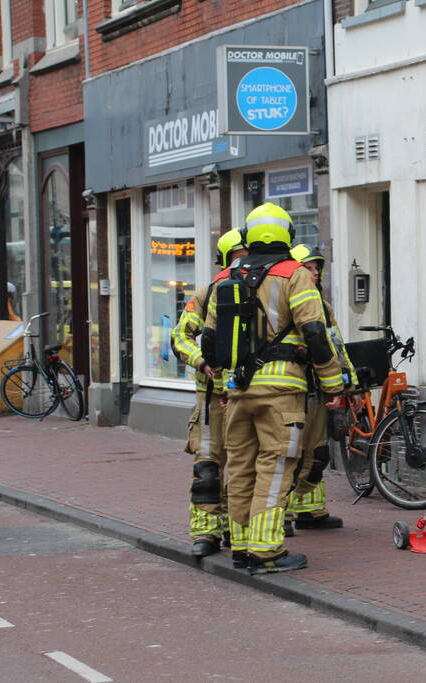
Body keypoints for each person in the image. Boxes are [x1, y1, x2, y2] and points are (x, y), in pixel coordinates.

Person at [203, 203, 345, 574]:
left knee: (241, 467)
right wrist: (333, 384)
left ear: (248, 236)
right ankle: (266, 550)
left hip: (237, 390)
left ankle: (241, 545)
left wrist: (221, 385)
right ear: (288, 235)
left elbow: (209, 341)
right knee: (278, 464)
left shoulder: (226, 276)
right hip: (282, 390)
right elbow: (315, 332)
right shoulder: (294, 275)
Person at [171, 229, 247, 557]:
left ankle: (237, 529)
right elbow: (179, 337)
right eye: (238, 258)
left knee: (245, 466)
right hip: (210, 402)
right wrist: (201, 361)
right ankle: (205, 533)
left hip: (246, 397)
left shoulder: (262, 293)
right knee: (207, 470)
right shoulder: (206, 294)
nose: (243, 266)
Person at [283, 243, 357, 534]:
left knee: (317, 453)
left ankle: (310, 510)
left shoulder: (323, 307)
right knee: (291, 454)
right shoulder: (285, 302)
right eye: (309, 268)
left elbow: (334, 343)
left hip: (319, 389)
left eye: (317, 268)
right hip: (294, 388)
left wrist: (347, 379)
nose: (315, 273)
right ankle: (282, 515)